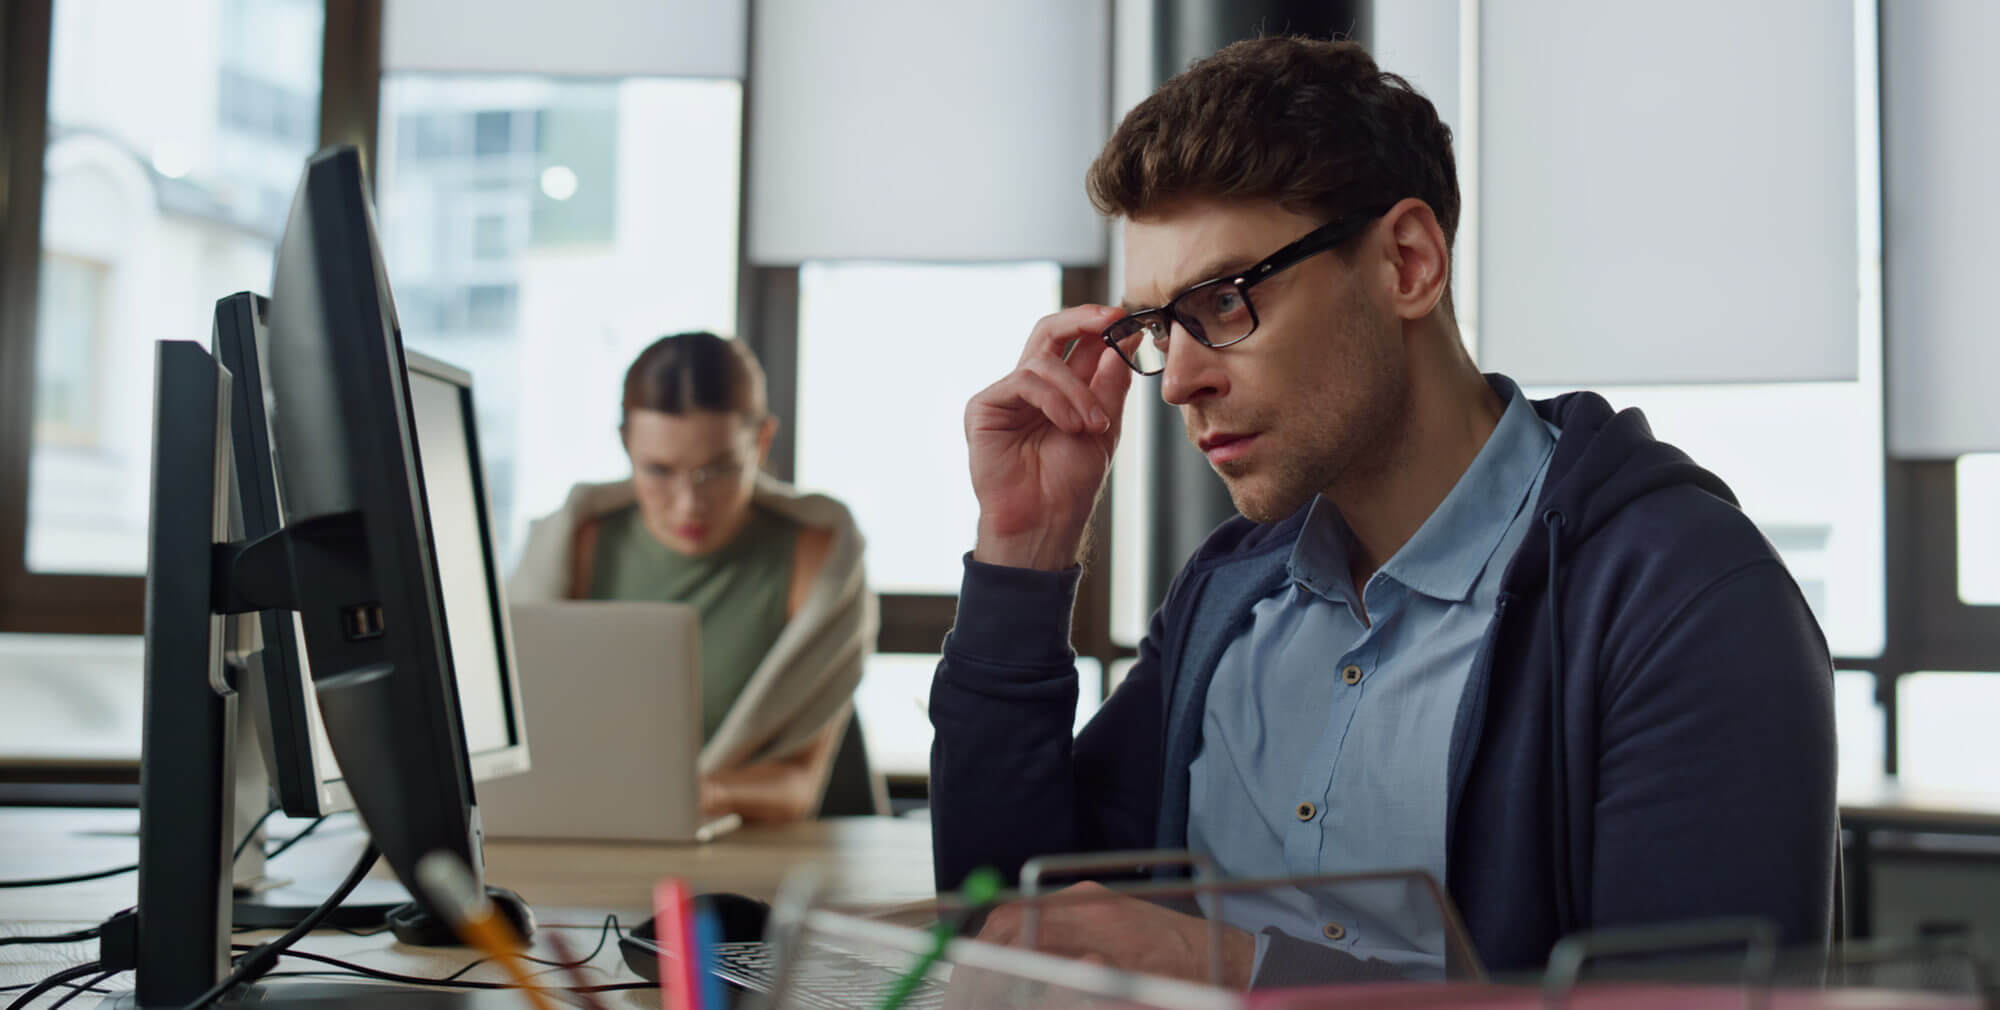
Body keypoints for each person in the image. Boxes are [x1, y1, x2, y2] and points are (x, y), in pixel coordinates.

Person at [929, 37, 1836, 985]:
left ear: (1408, 263)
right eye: (1158, 329)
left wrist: (1240, 973)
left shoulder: (1686, 601)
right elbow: (1015, 926)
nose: (1178, 382)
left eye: (1225, 303)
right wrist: (1025, 548)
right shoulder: (1229, 593)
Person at [510, 331, 876, 824]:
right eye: (659, 470)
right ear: (626, 444)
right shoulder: (573, 545)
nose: (689, 504)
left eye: (719, 468)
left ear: (763, 441)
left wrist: (703, 794)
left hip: (741, 853)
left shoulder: (820, 563)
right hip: (584, 833)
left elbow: (799, 786)